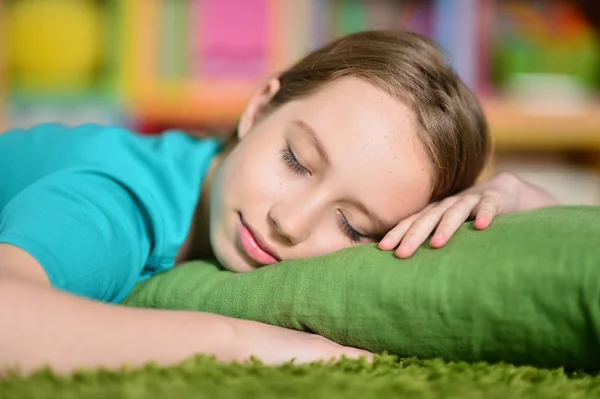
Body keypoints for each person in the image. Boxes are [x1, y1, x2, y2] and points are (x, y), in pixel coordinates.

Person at [0, 30, 557, 375]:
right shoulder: (121, 202)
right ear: (259, 109)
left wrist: (505, 191)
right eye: (295, 161)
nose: (289, 223)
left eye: (353, 225)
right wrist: (236, 343)